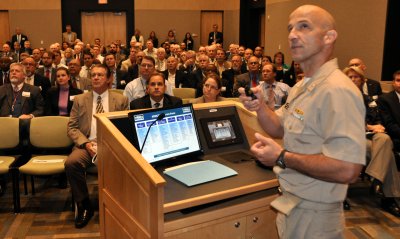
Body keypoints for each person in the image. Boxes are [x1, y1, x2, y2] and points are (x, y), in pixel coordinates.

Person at [238, 5, 365, 238]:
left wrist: (280, 157)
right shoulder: (302, 86)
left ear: (328, 37)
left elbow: (348, 169)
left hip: (316, 214)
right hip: (293, 203)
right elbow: (277, 127)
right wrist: (261, 107)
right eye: (290, 28)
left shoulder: (337, 90)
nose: (292, 35)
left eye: (304, 26)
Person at [65, 64, 129, 228]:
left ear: (109, 79)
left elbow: (125, 127)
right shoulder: (80, 99)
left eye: (100, 75)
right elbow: (72, 127)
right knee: (71, 163)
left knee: (127, 163)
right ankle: (84, 204)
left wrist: (109, 143)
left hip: (112, 144)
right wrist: (86, 144)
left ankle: (120, 203)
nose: (95, 78)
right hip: (87, 144)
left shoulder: (121, 99)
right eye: (93, 75)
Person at [344, 66, 400, 217]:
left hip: (368, 137)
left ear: (362, 80)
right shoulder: (340, 97)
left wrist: (377, 126)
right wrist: (368, 125)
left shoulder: (367, 99)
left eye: (356, 77)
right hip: (348, 138)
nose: (353, 80)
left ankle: (376, 178)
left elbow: (376, 117)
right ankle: (388, 197)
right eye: (350, 77)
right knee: (387, 153)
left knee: (385, 138)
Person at [378, 70, 400, 152]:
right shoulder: (385, 99)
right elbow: (389, 124)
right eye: (398, 80)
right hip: (396, 137)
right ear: (393, 83)